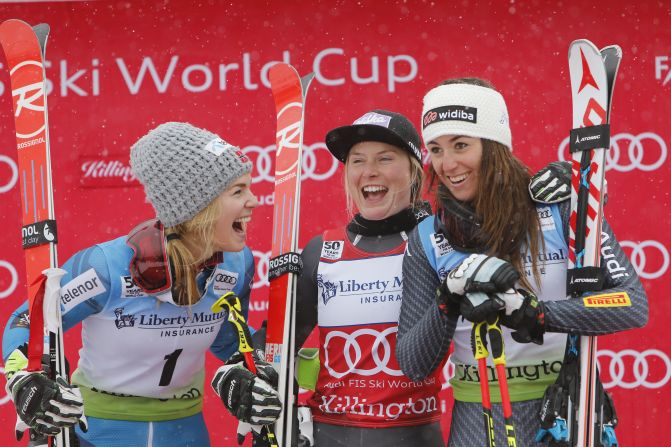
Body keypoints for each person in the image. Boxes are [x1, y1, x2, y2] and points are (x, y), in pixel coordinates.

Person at [395, 78, 648, 447]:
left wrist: (541, 315)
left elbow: (631, 303)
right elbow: (413, 363)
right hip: (476, 425)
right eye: (435, 149)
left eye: (461, 145)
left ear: (494, 144)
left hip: (561, 414)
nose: (447, 164)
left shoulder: (559, 206)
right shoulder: (428, 237)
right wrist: (446, 302)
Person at [2, 122, 282, 446]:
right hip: (99, 432)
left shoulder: (237, 264)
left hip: (184, 432)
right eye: (238, 191)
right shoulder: (108, 267)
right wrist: (25, 379)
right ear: (198, 207)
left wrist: (242, 373)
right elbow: (25, 321)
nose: (254, 201)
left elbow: (229, 340)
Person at [294, 110, 445, 447]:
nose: (369, 171)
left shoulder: (440, 243)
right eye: (357, 160)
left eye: (384, 158)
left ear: (413, 169)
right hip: (330, 433)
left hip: (416, 433)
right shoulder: (322, 250)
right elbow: (278, 345)